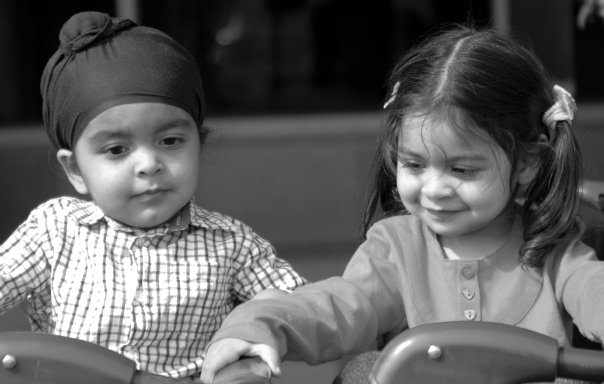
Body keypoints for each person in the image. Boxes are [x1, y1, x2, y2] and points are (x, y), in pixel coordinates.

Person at [200, 24, 604, 383]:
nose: (434, 188)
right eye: (414, 164)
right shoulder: (396, 248)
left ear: (528, 163)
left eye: (462, 171)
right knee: (364, 371)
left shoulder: (552, 247)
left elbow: (593, 290)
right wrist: (257, 325)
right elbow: (338, 306)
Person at [0, 11, 306, 379]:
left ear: (199, 145)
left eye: (171, 141)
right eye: (116, 149)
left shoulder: (231, 244)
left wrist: (258, 325)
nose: (149, 164)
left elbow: (299, 307)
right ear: (76, 170)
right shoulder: (54, 231)